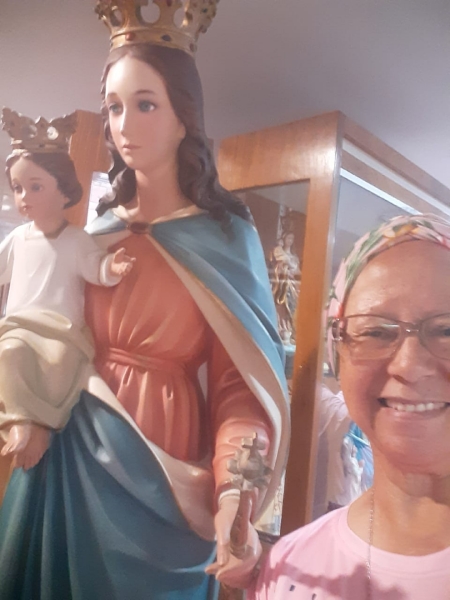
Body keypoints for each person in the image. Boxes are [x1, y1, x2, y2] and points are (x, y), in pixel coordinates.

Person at [0, 2, 289, 599]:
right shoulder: (94, 234)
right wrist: (23, 406)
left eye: (145, 104)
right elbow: (41, 325)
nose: (123, 125)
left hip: (164, 473)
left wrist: (235, 492)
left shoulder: (226, 238)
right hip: (67, 447)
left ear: (185, 116)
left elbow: (241, 387)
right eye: (113, 107)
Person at [250, 213, 450, 599]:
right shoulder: (291, 567)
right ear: (338, 353)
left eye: (446, 330)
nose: (408, 365)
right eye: (375, 331)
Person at [0, 108, 134, 472]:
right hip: (19, 327)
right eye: (17, 188)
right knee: (9, 354)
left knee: (59, 363)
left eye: (35, 186)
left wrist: (112, 268)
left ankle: (43, 425)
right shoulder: (18, 238)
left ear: (63, 190)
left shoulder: (76, 240)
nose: (23, 196)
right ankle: (21, 421)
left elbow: (95, 268)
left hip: (61, 331)